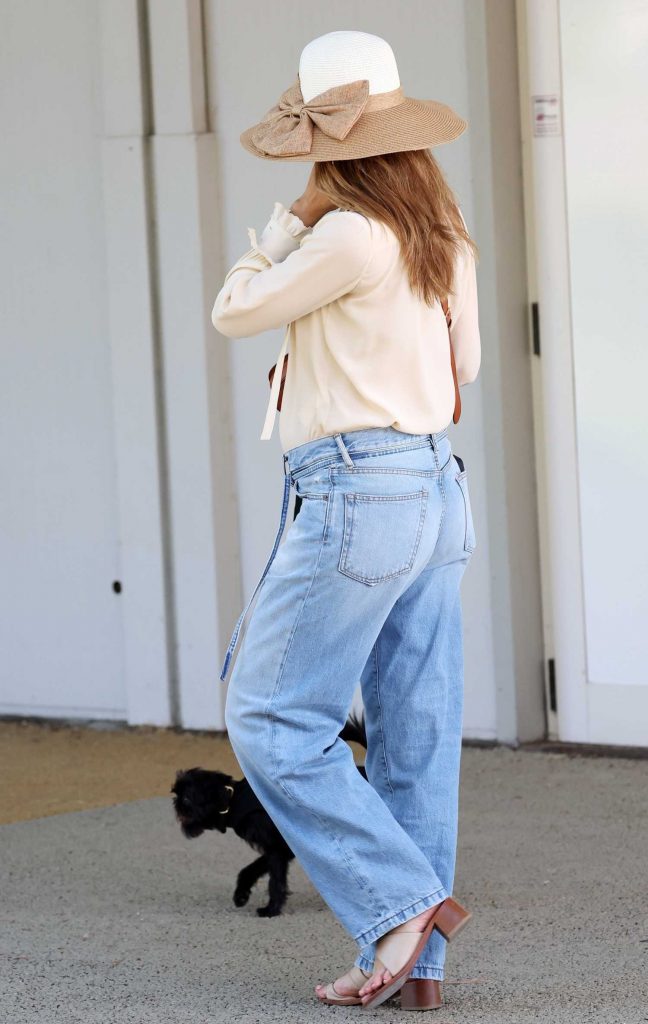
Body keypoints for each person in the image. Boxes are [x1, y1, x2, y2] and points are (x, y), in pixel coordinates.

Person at [211, 29, 480, 1012]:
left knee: (272, 716)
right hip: (434, 492)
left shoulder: (345, 233)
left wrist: (287, 224)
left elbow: (235, 312)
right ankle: (418, 971)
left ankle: (401, 907)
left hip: (354, 488)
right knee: (418, 732)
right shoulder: (441, 232)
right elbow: (471, 367)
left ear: (332, 145)